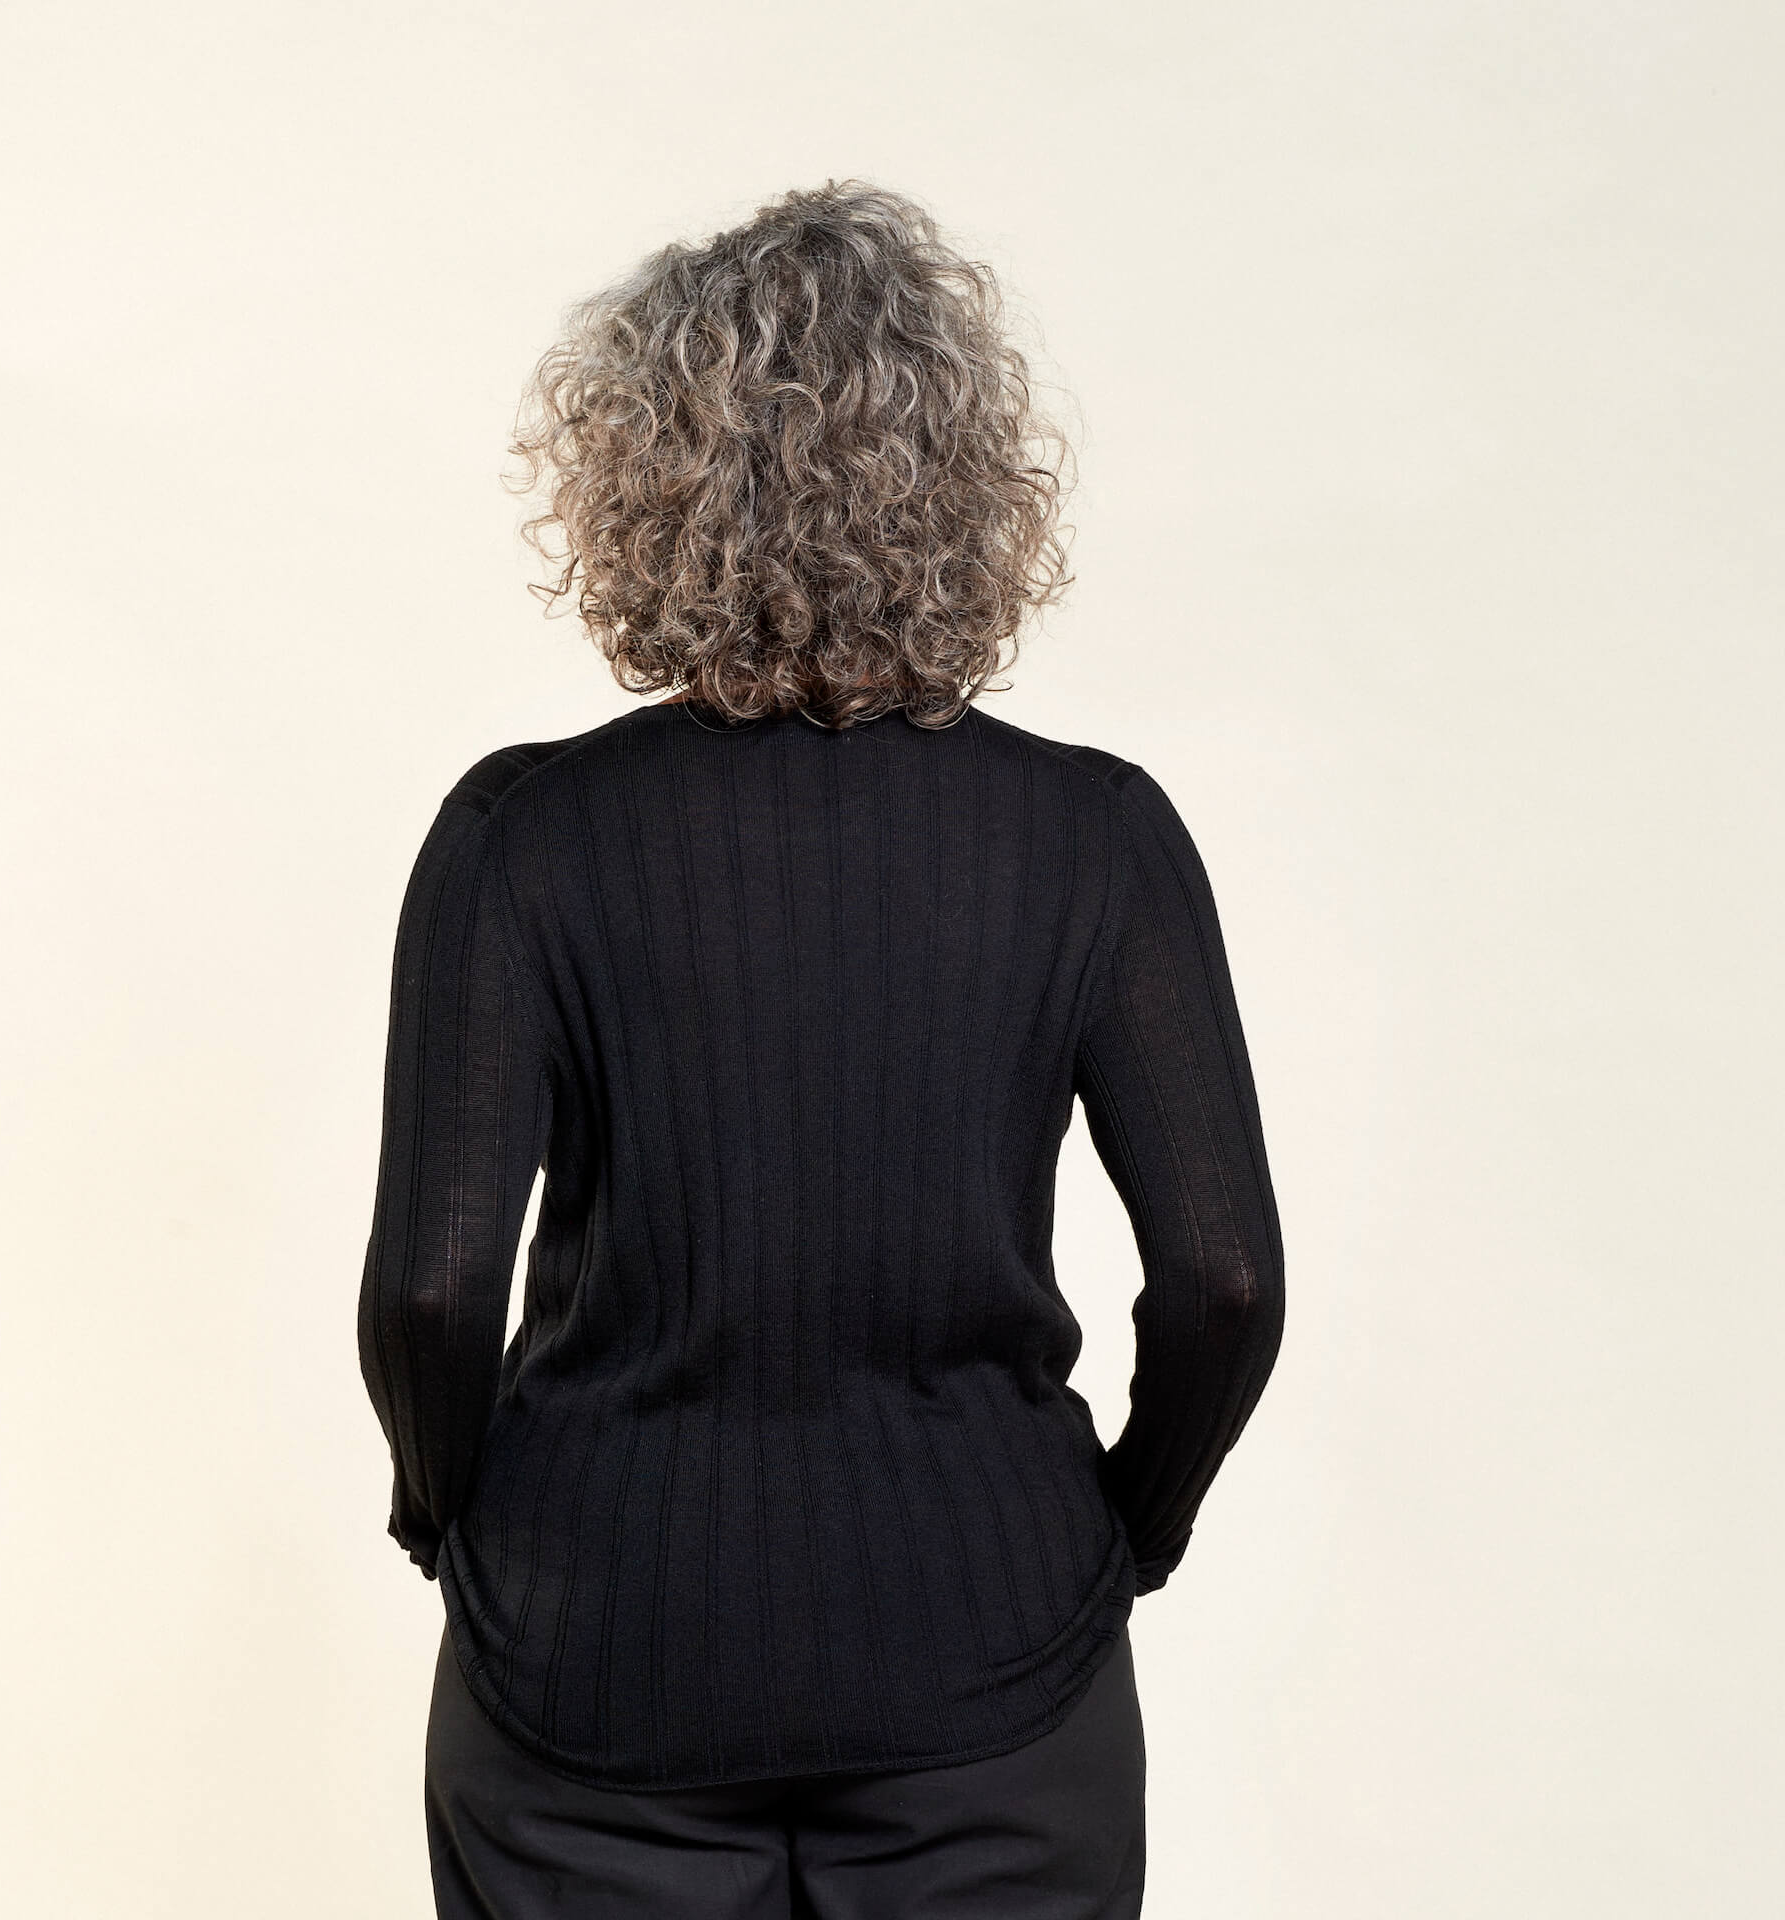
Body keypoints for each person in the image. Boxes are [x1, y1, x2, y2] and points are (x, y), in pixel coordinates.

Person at [357, 179, 1285, 1920]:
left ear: (638, 489)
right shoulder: (1096, 837)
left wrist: (452, 1519)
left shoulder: (523, 837)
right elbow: (1228, 1279)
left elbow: (428, 1291)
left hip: (589, 1666)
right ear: (969, 490)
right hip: (998, 1672)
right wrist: (1118, 1539)